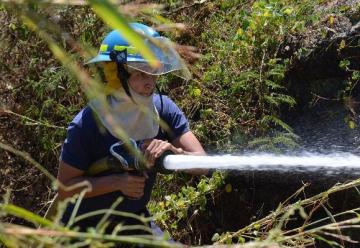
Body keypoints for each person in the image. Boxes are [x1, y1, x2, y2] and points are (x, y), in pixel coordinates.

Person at [56, 23, 206, 236]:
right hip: (84, 230)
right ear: (117, 74)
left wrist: (177, 154)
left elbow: (203, 164)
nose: (150, 83)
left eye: (153, 72)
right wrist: (116, 182)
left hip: (134, 221)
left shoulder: (163, 110)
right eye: (141, 74)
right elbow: (65, 189)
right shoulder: (87, 123)